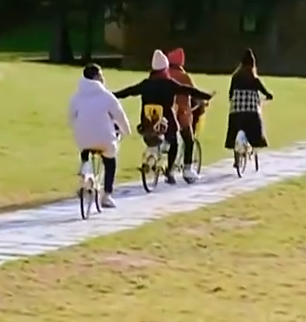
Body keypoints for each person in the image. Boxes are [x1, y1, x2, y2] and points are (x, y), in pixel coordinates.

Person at [114, 50, 214, 184]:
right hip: (166, 122)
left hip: (147, 122)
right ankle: (169, 171)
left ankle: (154, 155)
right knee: (174, 144)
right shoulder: (169, 84)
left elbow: (128, 91)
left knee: (153, 137)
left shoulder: (146, 84)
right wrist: (206, 96)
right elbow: (188, 90)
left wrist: (112, 94)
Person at [68, 64, 130, 208]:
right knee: (110, 160)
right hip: (104, 138)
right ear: (96, 77)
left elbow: (70, 118)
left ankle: (85, 173)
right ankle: (107, 195)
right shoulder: (107, 96)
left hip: (83, 137)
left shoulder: (76, 97)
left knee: (85, 150)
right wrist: (126, 131)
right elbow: (120, 116)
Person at [165, 47, 205, 183]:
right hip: (181, 112)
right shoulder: (184, 77)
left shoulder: (164, 73)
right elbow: (194, 93)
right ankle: (187, 169)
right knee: (189, 139)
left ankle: (169, 169)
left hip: (165, 112)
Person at [225, 48, 274, 154]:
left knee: (233, 129)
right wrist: (269, 96)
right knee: (256, 130)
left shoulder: (235, 77)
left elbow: (230, 93)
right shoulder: (254, 78)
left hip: (236, 113)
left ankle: (235, 153)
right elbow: (265, 92)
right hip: (251, 113)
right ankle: (255, 144)